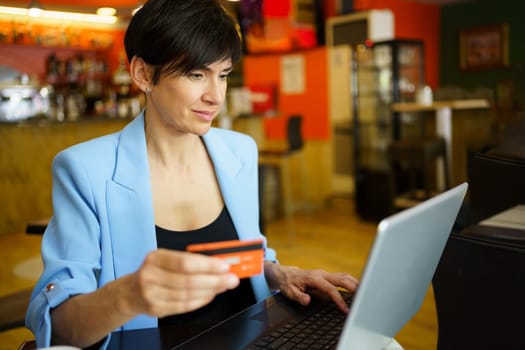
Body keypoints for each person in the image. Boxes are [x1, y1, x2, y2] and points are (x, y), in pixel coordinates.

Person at [25, 0, 359, 348]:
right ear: (142, 74)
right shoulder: (85, 170)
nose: (215, 96)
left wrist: (280, 273)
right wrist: (129, 296)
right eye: (196, 74)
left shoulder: (238, 152)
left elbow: (243, 258)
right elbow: (57, 327)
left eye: (224, 75)